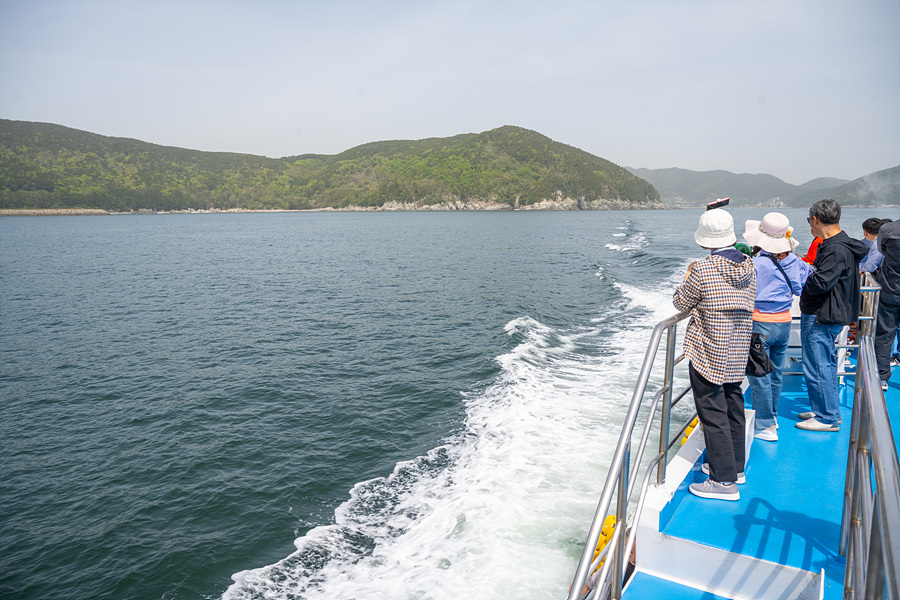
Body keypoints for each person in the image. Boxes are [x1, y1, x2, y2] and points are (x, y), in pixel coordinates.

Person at [673, 209, 756, 501]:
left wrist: (687, 275)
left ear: (706, 239)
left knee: (712, 413)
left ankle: (723, 483)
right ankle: (735, 468)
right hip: (737, 347)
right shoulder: (748, 265)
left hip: (709, 348)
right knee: (733, 405)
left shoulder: (702, 269)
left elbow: (680, 301)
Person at [798, 199, 869, 432]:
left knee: (817, 365)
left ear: (816, 220)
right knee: (824, 364)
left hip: (821, 314)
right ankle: (827, 410)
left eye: (809, 221)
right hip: (830, 313)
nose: (809, 225)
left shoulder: (834, 249)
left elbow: (820, 282)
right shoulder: (841, 244)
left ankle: (826, 418)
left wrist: (801, 273)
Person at [742, 213, 811, 442]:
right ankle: (771, 414)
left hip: (760, 323)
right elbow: (803, 285)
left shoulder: (755, 263)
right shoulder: (796, 262)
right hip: (784, 323)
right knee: (776, 373)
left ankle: (765, 425)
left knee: (759, 374)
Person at [874, 219, 900, 391]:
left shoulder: (887, 229)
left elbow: (881, 250)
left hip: (891, 288)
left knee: (884, 333)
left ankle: (882, 377)